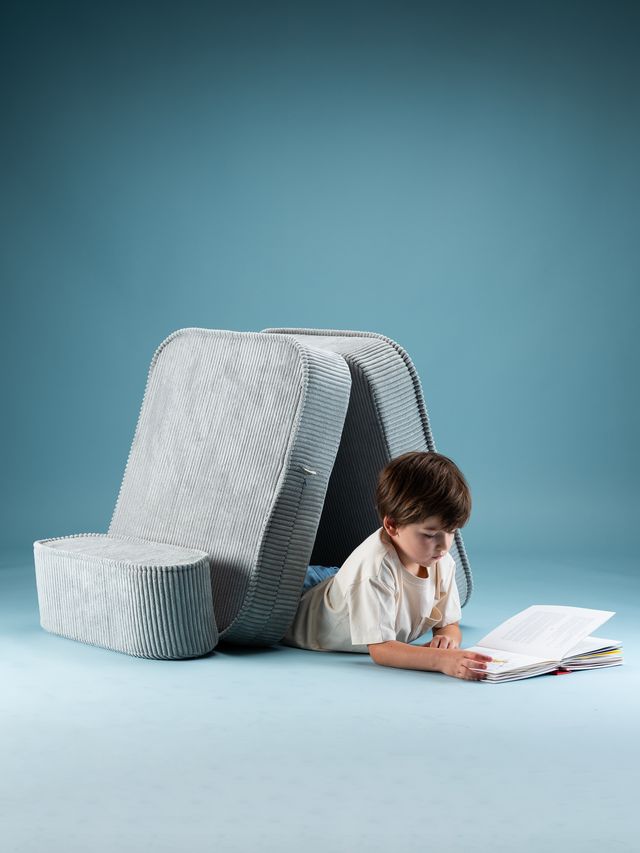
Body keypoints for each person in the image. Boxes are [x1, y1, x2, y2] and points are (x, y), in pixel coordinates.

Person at [281, 450, 493, 681]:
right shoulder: (374, 571)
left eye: (451, 532)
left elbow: (449, 623)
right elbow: (382, 650)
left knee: (339, 578)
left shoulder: (441, 561)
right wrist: (441, 660)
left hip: (335, 582)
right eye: (430, 534)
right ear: (392, 525)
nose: (444, 546)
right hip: (296, 605)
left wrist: (448, 638)